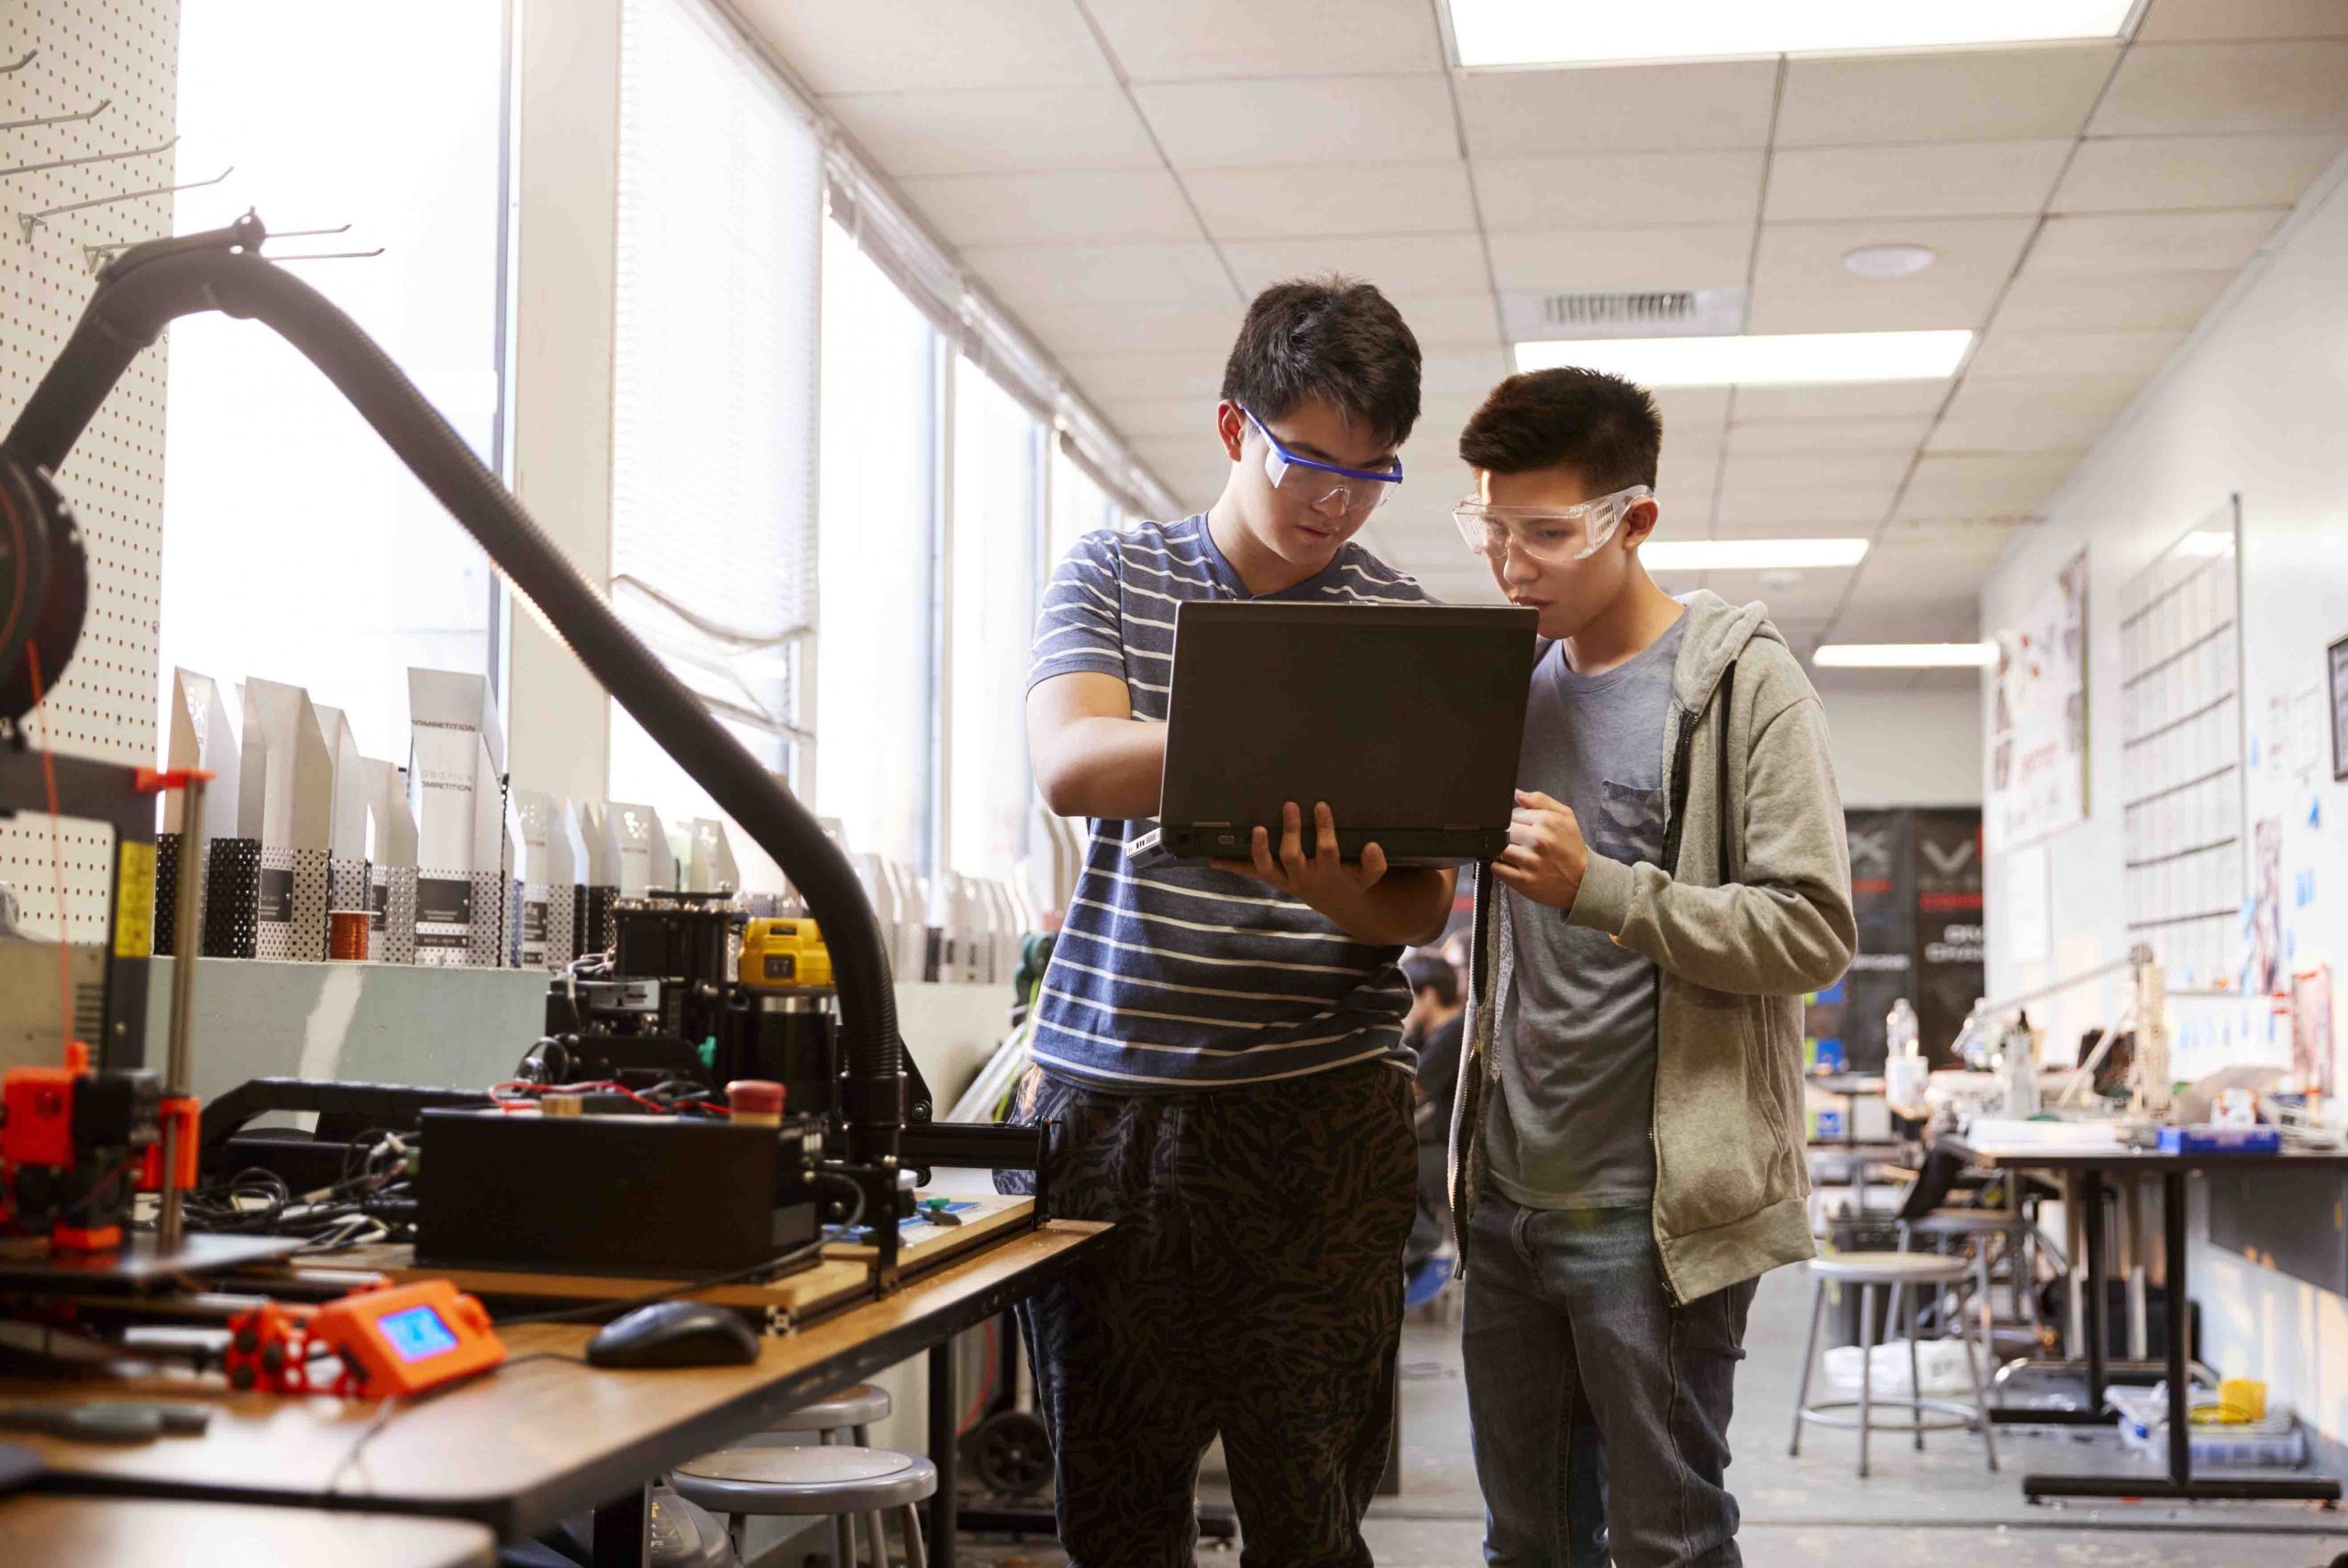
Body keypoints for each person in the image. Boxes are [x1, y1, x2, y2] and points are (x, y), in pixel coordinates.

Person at [1008, 275, 1456, 1567]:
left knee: (1309, 1515)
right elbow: (1073, 760)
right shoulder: (1114, 574)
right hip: (1110, 1110)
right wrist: (1274, 738)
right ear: (1230, 429)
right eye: (1308, 458)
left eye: (1371, 472)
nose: (1335, 499)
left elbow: (1420, 898)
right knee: (1117, 1508)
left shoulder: (1393, 626)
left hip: (1318, 1111)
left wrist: (1325, 884)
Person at [1445, 367, 1856, 1568]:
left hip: (1658, 1216)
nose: (1512, 563)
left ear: (1635, 520)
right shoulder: (1504, 692)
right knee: (1525, 1542)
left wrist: (1603, 887)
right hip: (1510, 1200)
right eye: (1490, 527)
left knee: (1667, 1539)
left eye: (1547, 532)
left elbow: (1812, 927)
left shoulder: (1740, 684)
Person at [1401, 951, 1464, 1293]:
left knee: (1381, 1164)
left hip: (1457, 1156)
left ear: (1428, 995)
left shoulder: (1454, 1031)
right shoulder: (1436, 1033)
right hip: (1440, 1147)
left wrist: (1407, 1029)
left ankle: (1428, 1239)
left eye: (1409, 998)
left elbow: (1411, 1086)